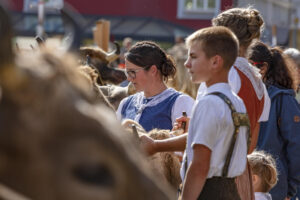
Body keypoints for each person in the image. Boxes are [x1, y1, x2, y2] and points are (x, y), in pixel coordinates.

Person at [142, 26, 249, 199]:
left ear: (215, 62)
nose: (186, 64)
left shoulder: (208, 103)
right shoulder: (236, 102)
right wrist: (156, 145)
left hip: (207, 192)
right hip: (231, 191)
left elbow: (199, 166)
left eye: (193, 57)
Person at [247, 41, 300, 200]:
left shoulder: (283, 100)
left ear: (262, 68)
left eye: (246, 66)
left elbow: (296, 146)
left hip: (273, 187)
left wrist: (291, 188)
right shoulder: (240, 97)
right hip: (244, 182)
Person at [116, 41, 194, 132]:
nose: (129, 78)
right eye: (127, 72)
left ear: (153, 70)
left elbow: (184, 141)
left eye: (132, 72)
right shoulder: (125, 104)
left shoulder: (180, 102)